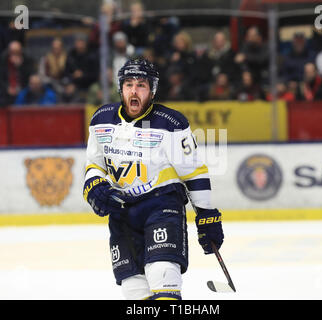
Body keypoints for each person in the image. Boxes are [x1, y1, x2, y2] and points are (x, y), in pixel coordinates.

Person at [83, 58, 224, 300]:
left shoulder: (171, 124)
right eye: (129, 85)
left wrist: (206, 214)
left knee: (163, 274)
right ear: (121, 88)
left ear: (152, 90)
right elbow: (94, 164)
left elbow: (194, 172)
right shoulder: (101, 120)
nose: (134, 91)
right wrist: (95, 185)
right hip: (122, 213)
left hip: (161, 206)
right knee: (134, 289)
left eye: (141, 85)